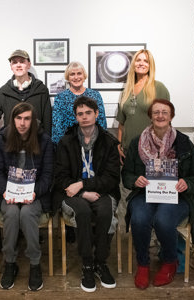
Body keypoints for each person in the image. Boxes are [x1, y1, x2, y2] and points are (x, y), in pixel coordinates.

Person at [122, 99, 194, 289]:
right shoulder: (137, 142)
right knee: (139, 218)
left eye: (164, 112)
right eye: (156, 112)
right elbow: (126, 174)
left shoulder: (183, 142)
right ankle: (143, 264)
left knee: (163, 220)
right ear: (150, 116)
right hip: (145, 193)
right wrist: (135, 180)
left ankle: (170, 261)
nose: (160, 115)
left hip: (176, 196)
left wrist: (187, 183)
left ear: (171, 116)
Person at [54, 96, 120, 292]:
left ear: (97, 113)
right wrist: (82, 193)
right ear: (76, 117)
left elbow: (112, 177)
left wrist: (83, 184)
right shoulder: (66, 142)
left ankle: (101, 262)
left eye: (88, 113)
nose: (84, 117)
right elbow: (60, 177)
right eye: (80, 114)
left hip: (102, 192)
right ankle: (88, 264)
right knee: (82, 212)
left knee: (105, 212)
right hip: (73, 195)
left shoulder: (109, 142)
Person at [0, 102, 53, 291]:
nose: (22, 123)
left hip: (35, 195)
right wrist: (4, 191)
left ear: (33, 121)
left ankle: (35, 264)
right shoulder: (2, 140)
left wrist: (35, 193)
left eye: (27, 118)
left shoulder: (44, 140)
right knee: (10, 213)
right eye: (18, 118)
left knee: (26, 214)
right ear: (13, 119)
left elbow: (48, 175)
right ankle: (10, 263)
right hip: (9, 194)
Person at [0, 49, 52, 143]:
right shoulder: (3, 92)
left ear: (28, 65)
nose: (18, 65)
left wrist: (47, 145)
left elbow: (47, 121)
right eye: (14, 62)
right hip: (11, 145)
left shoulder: (41, 90)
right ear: (11, 66)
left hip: (36, 144)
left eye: (22, 62)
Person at [116, 49, 170, 163]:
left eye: (146, 61)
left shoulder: (158, 88)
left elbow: (166, 123)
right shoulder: (126, 90)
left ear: (150, 66)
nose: (141, 63)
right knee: (129, 181)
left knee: (147, 182)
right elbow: (121, 123)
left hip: (151, 151)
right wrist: (119, 145)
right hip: (128, 151)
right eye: (138, 60)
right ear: (133, 64)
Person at [52, 61, 107, 145]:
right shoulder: (60, 98)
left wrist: (100, 143)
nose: (76, 77)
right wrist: (61, 147)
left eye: (79, 73)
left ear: (84, 75)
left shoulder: (95, 95)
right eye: (72, 74)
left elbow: (101, 121)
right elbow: (57, 126)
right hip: (69, 145)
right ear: (68, 77)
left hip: (93, 143)